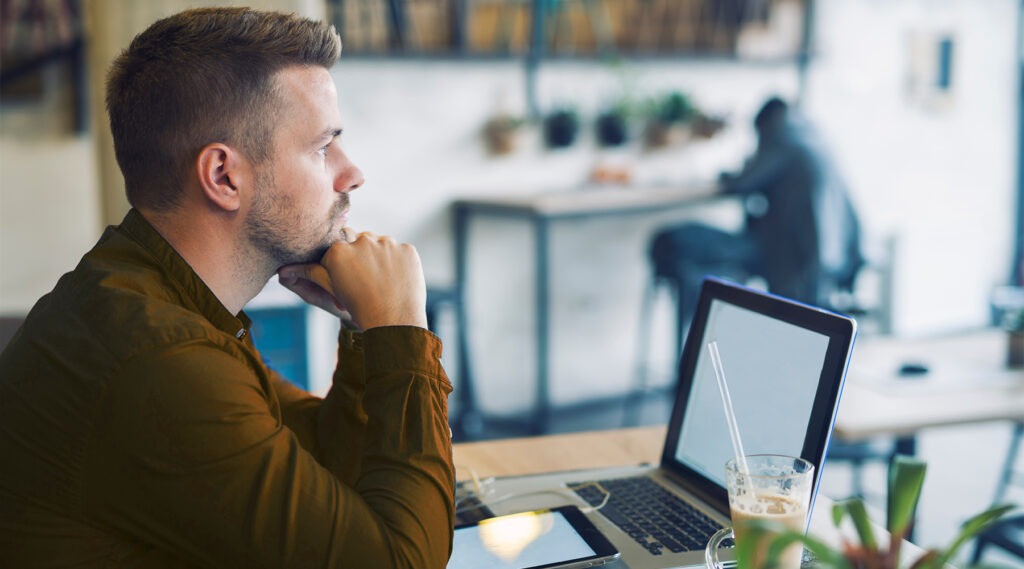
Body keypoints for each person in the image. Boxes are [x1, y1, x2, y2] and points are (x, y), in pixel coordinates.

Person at [0, 8, 454, 568]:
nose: (352, 172)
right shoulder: (157, 359)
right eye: (322, 147)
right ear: (223, 176)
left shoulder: (155, 294)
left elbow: (322, 471)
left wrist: (365, 334)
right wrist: (401, 330)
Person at [650, 97, 863, 343]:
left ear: (765, 124)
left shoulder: (783, 138)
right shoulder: (814, 136)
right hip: (822, 253)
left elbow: (742, 183)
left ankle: (695, 343)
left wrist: (732, 173)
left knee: (675, 242)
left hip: (787, 255)